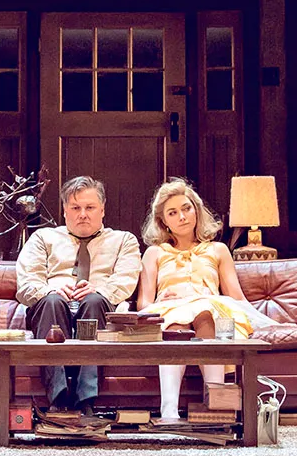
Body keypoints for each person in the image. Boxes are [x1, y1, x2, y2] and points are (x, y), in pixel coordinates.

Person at [137, 178, 278, 422]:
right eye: (173, 213)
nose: (182, 217)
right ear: (163, 221)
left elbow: (236, 297)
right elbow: (144, 305)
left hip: (210, 308)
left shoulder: (218, 250)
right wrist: (164, 299)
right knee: (176, 324)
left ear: (196, 210)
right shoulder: (154, 252)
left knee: (206, 314)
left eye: (186, 208)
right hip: (169, 310)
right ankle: (169, 413)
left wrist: (265, 321)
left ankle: (217, 406)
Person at [16, 175, 140, 413]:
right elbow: (26, 282)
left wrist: (100, 290)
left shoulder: (124, 240)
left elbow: (126, 280)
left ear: (102, 209)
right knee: (52, 301)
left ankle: (86, 401)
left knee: (93, 300)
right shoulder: (43, 238)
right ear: (65, 211)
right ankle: (58, 400)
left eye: (90, 207)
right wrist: (49, 290)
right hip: (51, 310)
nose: (83, 214)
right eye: (75, 208)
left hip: (98, 310)